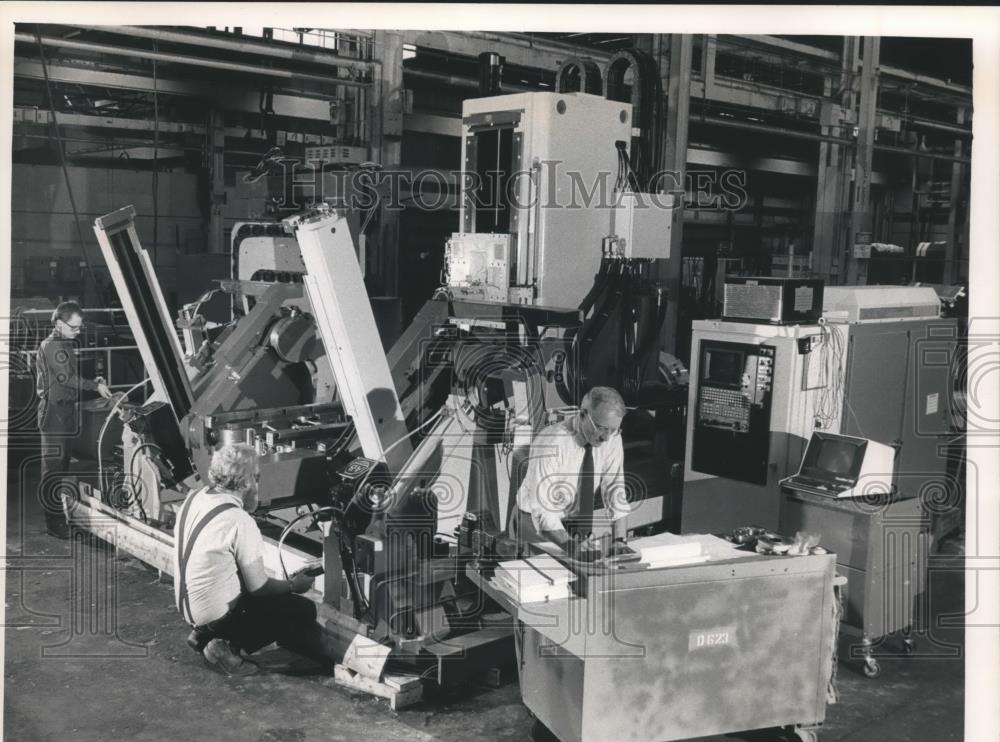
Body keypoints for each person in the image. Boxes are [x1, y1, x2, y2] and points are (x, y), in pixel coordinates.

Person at [174, 443, 320, 677]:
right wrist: (294, 585)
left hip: (189, 610)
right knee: (301, 610)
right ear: (246, 482)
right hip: (215, 615)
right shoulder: (238, 520)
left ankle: (202, 635)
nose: (259, 484)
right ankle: (227, 646)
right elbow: (259, 588)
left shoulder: (196, 496)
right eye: (257, 477)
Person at [511, 386, 630, 558]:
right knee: (545, 579)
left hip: (574, 524)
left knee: (581, 577)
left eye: (613, 430)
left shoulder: (612, 438)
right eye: (601, 428)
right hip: (535, 524)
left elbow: (615, 488)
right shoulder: (552, 442)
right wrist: (570, 545)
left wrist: (620, 540)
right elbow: (543, 509)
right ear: (583, 414)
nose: (606, 437)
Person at [36, 301, 112, 539]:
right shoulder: (52, 346)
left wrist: (94, 380)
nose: (77, 332)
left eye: (79, 327)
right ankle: (54, 523)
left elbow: (70, 376)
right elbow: (66, 377)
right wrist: (95, 386)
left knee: (63, 467)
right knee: (53, 470)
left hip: (66, 411)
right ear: (59, 323)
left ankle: (63, 516)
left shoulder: (64, 342)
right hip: (54, 413)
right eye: (74, 328)